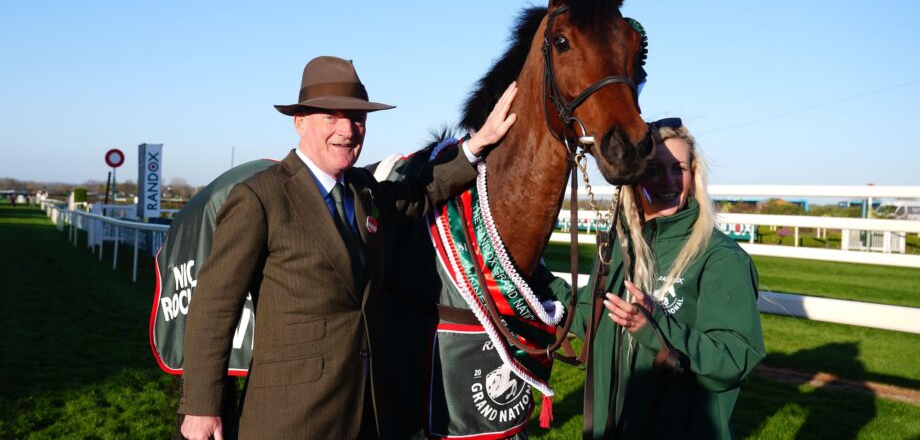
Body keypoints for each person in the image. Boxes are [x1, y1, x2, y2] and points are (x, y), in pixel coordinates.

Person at [178, 56, 518, 440]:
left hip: (366, 412)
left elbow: (418, 192)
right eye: (331, 117)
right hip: (291, 418)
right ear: (300, 122)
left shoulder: (363, 189)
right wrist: (202, 407)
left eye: (357, 118)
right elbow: (214, 306)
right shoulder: (259, 197)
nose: (347, 130)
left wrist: (478, 143)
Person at [548, 118, 765, 439]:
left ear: (694, 176)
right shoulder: (619, 246)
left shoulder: (720, 257)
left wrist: (655, 329)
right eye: (654, 168)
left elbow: (736, 359)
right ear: (635, 176)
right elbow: (590, 320)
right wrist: (531, 277)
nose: (668, 180)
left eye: (678, 168)